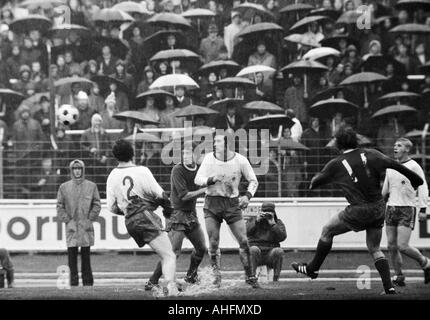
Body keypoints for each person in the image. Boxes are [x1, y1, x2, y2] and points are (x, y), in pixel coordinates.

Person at [291, 127, 424, 295]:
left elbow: (314, 183)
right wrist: (415, 178)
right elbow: (393, 163)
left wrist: (322, 179)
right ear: (356, 140)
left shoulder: (336, 163)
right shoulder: (372, 153)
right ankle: (389, 287)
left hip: (359, 209)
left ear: (339, 144)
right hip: (378, 208)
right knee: (375, 248)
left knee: (327, 231)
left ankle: (312, 269)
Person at [106, 139, 179, 296]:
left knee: (165, 254)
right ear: (132, 153)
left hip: (130, 221)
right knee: (169, 255)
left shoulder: (112, 175)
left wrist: (129, 210)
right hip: (144, 216)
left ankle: (170, 281)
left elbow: (112, 207)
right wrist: (167, 210)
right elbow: (161, 195)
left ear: (115, 156)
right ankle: (171, 288)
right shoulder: (142, 171)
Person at [195, 133, 260, 288]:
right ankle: (216, 277)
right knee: (213, 242)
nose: (214, 143)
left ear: (227, 144)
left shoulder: (240, 160)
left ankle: (250, 276)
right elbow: (198, 179)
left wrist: (247, 197)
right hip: (212, 203)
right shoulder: (209, 158)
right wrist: (211, 179)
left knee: (244, 241)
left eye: (218, 141)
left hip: (232, 203)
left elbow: (253, 180)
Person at [145, 144, 208, 290]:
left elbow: (207, 180)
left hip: (191, 214)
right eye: (183, 154)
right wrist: (206, 189)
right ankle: (152, 281)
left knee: (201, 247)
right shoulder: (177, 170)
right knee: (173, 252)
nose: (185, 157)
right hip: (177, 214)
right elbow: (184, 195)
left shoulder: (199, 169)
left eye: (188, 153)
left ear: (195, 155)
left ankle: (191, 276)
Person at [382, 138, 430, 286]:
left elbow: (422, 188)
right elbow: (386, 188)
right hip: (391, 208)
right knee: (391, 246)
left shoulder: (414, 166)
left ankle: (426, 263)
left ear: (407, 149)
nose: (395, 147)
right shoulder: (391, 166)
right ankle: (399, 275)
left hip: (406, 209)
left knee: (402, 246)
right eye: (395, 145)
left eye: (399, 145)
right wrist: (381, 202)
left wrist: (423, 209)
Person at [56, 159, 101, 286]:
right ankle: (73, 283)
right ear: (71, 170)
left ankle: (88, 283)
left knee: (86, 257)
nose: (77, 171)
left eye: (79, 168)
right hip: (72, 227)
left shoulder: (91, 186)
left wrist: (89, 219)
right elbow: (60, 206)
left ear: (83, 170)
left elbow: (96, 205)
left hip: (85, 226)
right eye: (75, 168)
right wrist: (67, 221)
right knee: (72, 257)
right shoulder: (64, 187)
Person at [246, 202, 287, 282]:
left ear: (274, 213)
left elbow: (282, 237)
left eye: (269, 212)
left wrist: (273, 224)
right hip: (256, 253)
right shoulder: (253, 220)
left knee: (279, 251)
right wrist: (256, 222)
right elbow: (245, 232)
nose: (266, 215)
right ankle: (251, 277)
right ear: (261, 211)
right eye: (265, 212)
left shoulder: (277, 222)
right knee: (253, 249)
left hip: (270, 254)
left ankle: (275, 279)